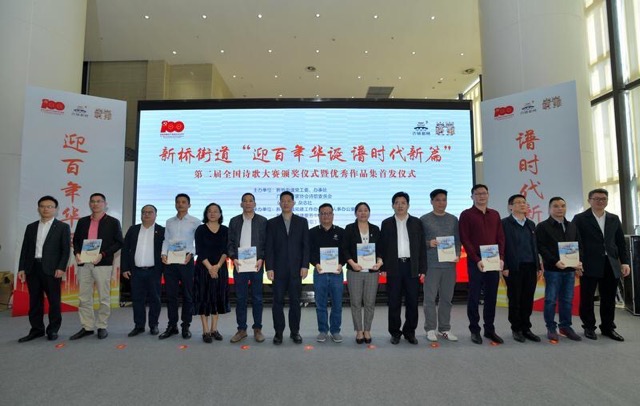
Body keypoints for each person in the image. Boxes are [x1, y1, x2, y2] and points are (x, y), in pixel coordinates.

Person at [572, 188, 630, 341]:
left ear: (607, 201)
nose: (600, 201)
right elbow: (574, 241)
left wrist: (625, 262)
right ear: (589, 200)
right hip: (588, 263)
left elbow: (620, 242)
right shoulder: (580, 218)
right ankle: (589, 327)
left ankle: (608, 327)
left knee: (609, 298)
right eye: (596, 199)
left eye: (603, 199)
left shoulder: (614, 218)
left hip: (610, 263)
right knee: (587, 298)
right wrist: (577, 262)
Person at [17, 196, 71, 342]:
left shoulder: (62, 227)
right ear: (38, 208)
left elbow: (65, 250)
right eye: (42, 206)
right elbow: (25, 249)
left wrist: (61, 267)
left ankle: (53, 330)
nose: (45, 209)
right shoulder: (31, 227)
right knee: (35, 301)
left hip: (52, 269)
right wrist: (21, 268)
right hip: (32, 268)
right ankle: (37, 330)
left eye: (49, 206)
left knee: (54, 301)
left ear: (56, 209)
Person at [71, 193, 123, 340]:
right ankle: (87, 327)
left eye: (99, 201)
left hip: (103, 264)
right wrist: (77, 253)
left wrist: (103, 254)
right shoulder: (82, 222)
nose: (95, 204)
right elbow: (76, 241)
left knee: (103, 297)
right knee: (84, 297)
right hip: (84, 264)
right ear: (89, 204)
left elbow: (119, 242)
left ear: (105, 204)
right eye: (93, 201)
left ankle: (102, 326)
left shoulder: (113, 222)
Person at [459, 184, 505, 345]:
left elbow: (500, 238)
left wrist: (501, 258)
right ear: (472, 197)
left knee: (491, 297)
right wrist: (476, 259)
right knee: (474, 296)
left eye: (484, 193)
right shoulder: (466, 215)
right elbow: (465, 239)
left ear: (488, 195)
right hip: (475, 262)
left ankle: (489, 329)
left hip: (493, 260)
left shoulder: (495, 214)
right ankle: (474, 330)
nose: (481, 196)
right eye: (477, 194)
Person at [379, 191, 427, 345]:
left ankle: (410, 332)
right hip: (394, 267)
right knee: (394, 302)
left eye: (403, 203)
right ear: (392, 205)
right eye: (397, 203)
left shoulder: (416, 222)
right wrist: (383, 267)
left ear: (408, 205)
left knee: (412, 301)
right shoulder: (386, 223)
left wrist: (423, 269)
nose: (400, 205)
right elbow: (382, 246)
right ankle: (395, 333)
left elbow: (421, 247)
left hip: (412, 267)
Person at [536, 196, 583, 341]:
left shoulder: (572, 226)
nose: (560, 209)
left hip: (570, 270)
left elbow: (579, 245)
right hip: (553, 270)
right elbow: (541, 247)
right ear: (549, 209)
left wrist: (579, 262)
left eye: (562, 206)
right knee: (550, 300)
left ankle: (565, 326)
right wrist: (555, 261)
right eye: (556, 206)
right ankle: (551, 327)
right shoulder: (542, 226)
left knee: (567, 300)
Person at [265, 191, 310, 345]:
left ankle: (295, 332)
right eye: (283, 201)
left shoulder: (302, 222)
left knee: (295, 302)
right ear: (279, 203)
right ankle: (278, 333)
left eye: (288, 200)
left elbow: (306, 246)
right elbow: (269, 247)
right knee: (277, 302)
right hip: (278, 270)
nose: (286, 203)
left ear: (293, 203)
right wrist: (269, 267)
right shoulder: (272, 223)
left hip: (296, 269)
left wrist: (305, 265)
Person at [420, 189, 460, 343]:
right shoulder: (424, 219)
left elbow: (457, 240)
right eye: (437, 200)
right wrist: (428, 243)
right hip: (431, 265)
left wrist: (457, 254)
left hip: (449, 265)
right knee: (429, 299)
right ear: (431, 201)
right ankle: (430, 329)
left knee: (446, 299)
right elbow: (418, 242)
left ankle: (444, 328)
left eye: (444, 200)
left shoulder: (453, 219)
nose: (441, 203)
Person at [227, 193, 267, 343]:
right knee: (240, 298)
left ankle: (257, 329)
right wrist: (233, 257)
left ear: (255, 204)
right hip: (240, 265)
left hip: (256, 265)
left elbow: (266, 243)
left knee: (257, 298)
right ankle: (241, 329)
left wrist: (261, 258)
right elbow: (230, 242)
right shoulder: (234, 221)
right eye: (245, 201)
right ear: (241, 204)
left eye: (251, 201)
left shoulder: (263, 221)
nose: (248, 203)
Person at [159, 193, 201, 340]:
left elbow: (199, 242)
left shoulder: (195, 222)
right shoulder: (169, 221)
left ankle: (185, 326)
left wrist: (192, 253)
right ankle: (172, 326)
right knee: (171, 295)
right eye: (178, 202)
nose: (180, 204)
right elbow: (166, 240)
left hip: (186, 261)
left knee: (188, 295)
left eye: (183, 202)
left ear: (189, 205)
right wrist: (163, 254)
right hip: (170, 262)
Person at [501, 194, 542, 343]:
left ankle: (526, 328)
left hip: (530, 266)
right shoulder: (504, 224)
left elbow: (534, 246)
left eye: (524, 202)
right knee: (515, 299)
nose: (522, 204)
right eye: (518, 202)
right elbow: (501, 246)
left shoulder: (531, 224)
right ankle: (516, 328)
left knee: (527, 299)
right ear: (510, 207)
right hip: (513, 267)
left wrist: (538, 266)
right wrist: (504, 266)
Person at [121, 204, 165, 337]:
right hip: (136, 271)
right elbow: (125, 249)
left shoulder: (162, 231)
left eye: (150, 212)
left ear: (156, 215)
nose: (146, 214)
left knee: (155, 299)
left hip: (154, 271)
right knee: (137, 299)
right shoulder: (133, 229)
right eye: (144, 212)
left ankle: (154, 325)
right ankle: (139, 326)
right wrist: (125, 268)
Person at [343, 202, 383, 344]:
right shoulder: (349, 228)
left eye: (366, 210)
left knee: (370, 302)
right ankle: (359, 331)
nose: (363, 213)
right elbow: (344, 249)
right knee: (355, 302)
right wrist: (352, 263)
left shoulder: (375, 229)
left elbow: (381, 249)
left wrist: (380, 261)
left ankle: (367, 330)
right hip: (355, 271)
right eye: (360, 210)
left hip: (372, 271)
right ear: (355, 213)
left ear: (369, 213)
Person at [309, 203, 345, 343]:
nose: (326, 216)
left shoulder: (341, 232)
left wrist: (341, 264)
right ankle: (323, 330)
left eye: (328, 213)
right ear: (319, 215)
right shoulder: (312, 232)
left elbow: (345, 251)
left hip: (336, 273)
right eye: (323, 213)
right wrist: (316, 264)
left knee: (337, 303)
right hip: (320, 272)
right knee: (320, 304)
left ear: (333, 215)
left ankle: (335, 331)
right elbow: (309, 252)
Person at [194, 203, 229, 343]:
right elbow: (200, 250)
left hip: (220, 268)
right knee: (204, 297)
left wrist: (218, 266)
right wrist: (210, 268)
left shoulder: (225, 230)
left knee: (217, 297)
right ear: (206, 214)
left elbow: (226, 250)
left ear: (220, 214)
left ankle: (214, 329)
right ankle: (205, 330)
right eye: (209, 211)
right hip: (203, 268)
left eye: (215, 211)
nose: (212, 213)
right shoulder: (200, 229)